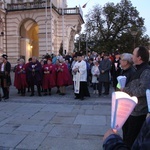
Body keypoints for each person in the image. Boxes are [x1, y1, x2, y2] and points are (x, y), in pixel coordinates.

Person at [122, 46, 150, 148]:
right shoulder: (137, 69)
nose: (132, 56)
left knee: (132, 139)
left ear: (139, 57)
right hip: (131, 109)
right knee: (127, 135)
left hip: (138, 111)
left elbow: (143, 90)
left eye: (134, 54)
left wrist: (126, 90)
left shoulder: (146, 71)